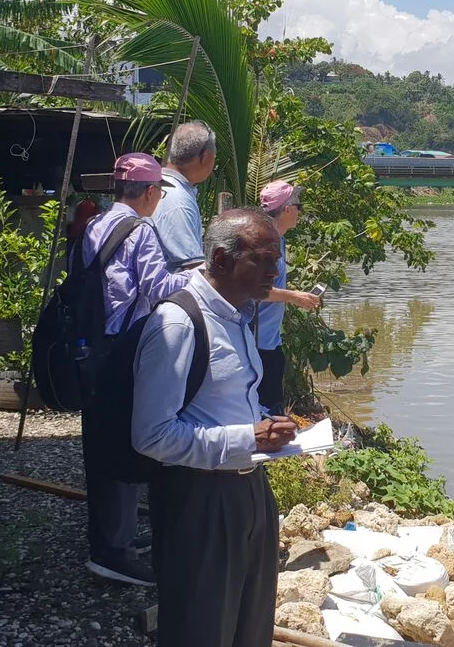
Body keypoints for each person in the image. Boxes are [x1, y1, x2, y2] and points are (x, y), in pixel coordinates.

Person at [132, 209, 298, 647]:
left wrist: (266, 423)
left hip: (250, 487)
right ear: (222, 260)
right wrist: (248, 437)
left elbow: (226, 400)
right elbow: (151, 435)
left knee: (250, 621)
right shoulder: (178, 323)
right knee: (201, 626)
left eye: (275, 259)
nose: (275, 270)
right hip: (199, 498)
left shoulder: (239, 314)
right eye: (263, 260)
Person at [80, 152, 193, 587]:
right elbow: (159, 288)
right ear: (149, 193)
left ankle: (111, 537)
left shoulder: (95, 223)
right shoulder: (141, 229)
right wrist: (199, 279)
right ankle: (112, 553)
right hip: (123, 351)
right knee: (124, 444)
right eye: (158, 194)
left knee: (100, 441)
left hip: (92, 348)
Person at [254, 181, 321, 414]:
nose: (300, 211)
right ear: (287, 210)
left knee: (274, 404)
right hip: (256, 341)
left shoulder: (278, 239)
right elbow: (257, 291)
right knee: (267, 411)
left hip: (270, 339)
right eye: (298, 205)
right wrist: (294, 296)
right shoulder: (265, 244)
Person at [151, 120, 217, 271]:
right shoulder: (178, 201)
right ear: (206, 157)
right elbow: (192, 268)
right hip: (169, 293)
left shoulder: (160, 185)